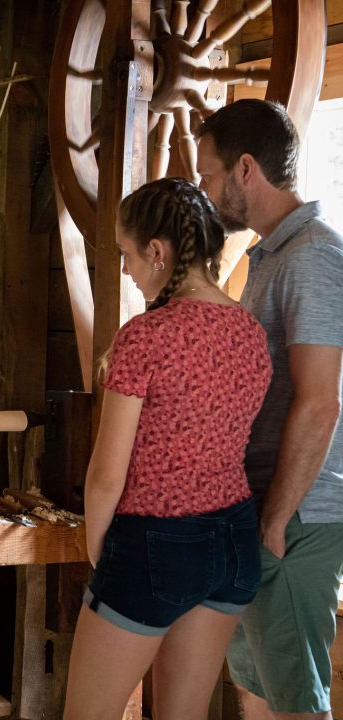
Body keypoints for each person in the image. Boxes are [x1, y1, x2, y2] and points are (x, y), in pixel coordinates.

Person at [63, 178, 272, 720]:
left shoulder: (145, 336)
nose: (127, 269)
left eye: (126, 255)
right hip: (233, 540)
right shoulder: (249, 331)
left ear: (158, 252)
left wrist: (100, 554)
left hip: (154, 540)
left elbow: (108, 474)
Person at [196, 99, 343, 719]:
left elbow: (319, 402)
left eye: (208, 174)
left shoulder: (311, 254)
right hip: (267, 509)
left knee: (294, 702)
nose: (204, 190)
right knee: (256, 684)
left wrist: (277, 520)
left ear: (246, 169)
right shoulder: (269, 255)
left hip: (299, 515)